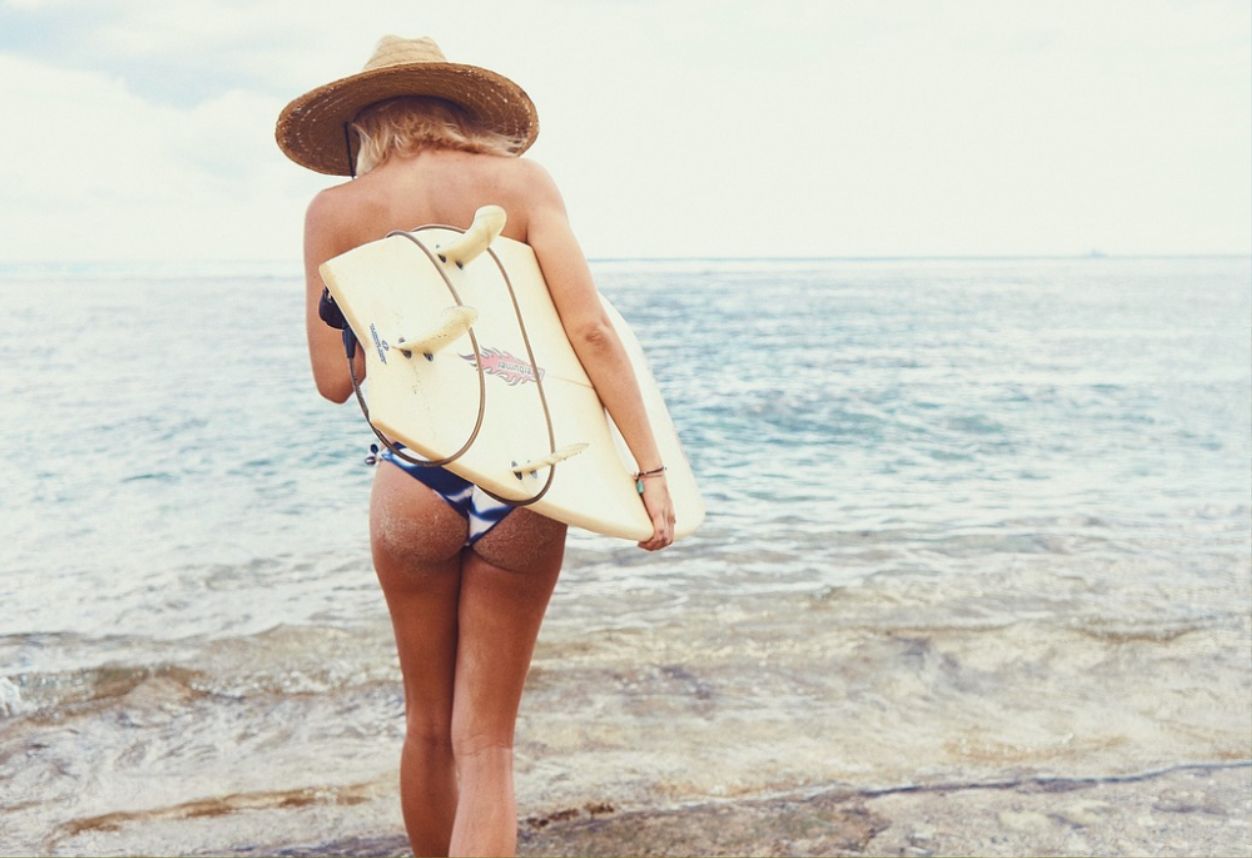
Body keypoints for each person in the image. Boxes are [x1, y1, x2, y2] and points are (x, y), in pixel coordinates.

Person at [275, 35, 676, 857]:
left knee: (425, 727)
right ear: (459, 108)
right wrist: (650, 469)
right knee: (486, 745)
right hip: (525, 471)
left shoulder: (333, 215)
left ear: (362, 124)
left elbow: (334, 380)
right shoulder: (520, 185)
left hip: (415, 477)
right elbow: (591, 331)